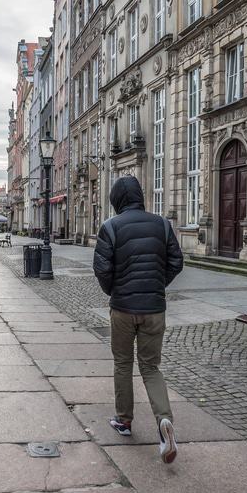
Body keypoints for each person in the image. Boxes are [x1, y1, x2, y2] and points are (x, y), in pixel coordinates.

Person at [93, 175, 183, 464]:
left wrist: (116, 290)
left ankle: (124, 420)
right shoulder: (162, 225)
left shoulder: (110, 227)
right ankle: (164, 420)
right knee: (151, 366)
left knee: (123, 363)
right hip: (154, 309)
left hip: (122, 308)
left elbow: (102, 269)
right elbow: (176, 262)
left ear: (117, 200)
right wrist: (157, 285)